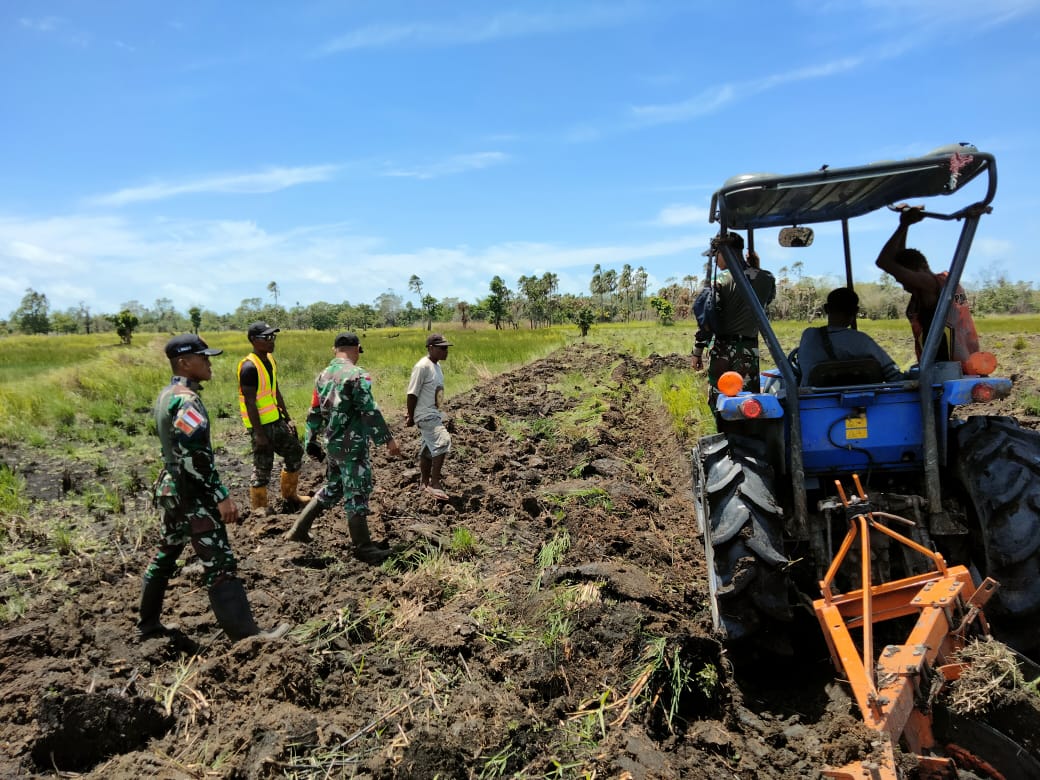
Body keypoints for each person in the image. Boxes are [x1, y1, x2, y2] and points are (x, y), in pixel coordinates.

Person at [139, 334, 287, 642]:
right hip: (194, 494)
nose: (209, 362)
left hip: (173, 491)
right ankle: (248, 636)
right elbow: (194, 456)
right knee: (219, 562)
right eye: (202, 357)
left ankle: (148, 623)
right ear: (184, 362)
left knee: (166, 553)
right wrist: (220, 496)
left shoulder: (167, 394)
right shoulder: (187, 401)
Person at [284, 332, 401, 563]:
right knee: (357, 491)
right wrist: (388, 439)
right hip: (352, 445)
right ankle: (363, 546)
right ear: (357, 348)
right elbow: (370, 411)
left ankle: (298, 530)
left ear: (334, 350)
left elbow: (314, 411)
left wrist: (311, 440)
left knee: (334, 486)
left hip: (333, 444)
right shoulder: (357, 375)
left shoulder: (323, 376)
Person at [875, 205, 990, 374]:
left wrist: (902, 226)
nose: (905, 287)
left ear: (921, 268)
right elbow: (899, 258)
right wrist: (906, 224)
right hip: (955, 366)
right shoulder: (941, 285)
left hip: (950, 370)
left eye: (904, 280)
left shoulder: (932, 284)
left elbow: (884, 262)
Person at [692, 232, 776, 402]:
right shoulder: (767, 278)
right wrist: (755, 268)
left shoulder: (720, 280)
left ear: (725, 251)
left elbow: (707, 320)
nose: (715, 260)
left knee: (721, 402)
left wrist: (697, 351)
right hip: (749, 350)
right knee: (749, 402)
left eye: (716, 255)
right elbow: (766, 301)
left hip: (723, 351)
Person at [238, 321, 309, 517]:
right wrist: (259, 434)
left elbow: (275, 391)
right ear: (254, 340)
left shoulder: (269, 360)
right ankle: (260, 509)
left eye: (273, 337)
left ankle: (290, 496)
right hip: (260, 426)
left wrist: (287, 418)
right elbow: (250, 402)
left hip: (276, 421)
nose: (271, 341)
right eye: (266, 337)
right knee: (262, 466)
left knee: (295, 452)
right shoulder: (249, 367)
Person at [797, 288, 903, 386]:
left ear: (826, 309)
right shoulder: (862, 341)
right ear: (856, 311)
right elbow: (892, 375)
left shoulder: (808, 335)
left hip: (813, 400)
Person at [405, 333, 454, 500]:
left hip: (434, 412)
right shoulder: (422, 367)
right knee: (443, 441)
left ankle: (424, 483)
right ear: (431, 348)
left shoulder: (436, 366)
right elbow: (412, 394)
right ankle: (435, 483)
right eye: (442, 348)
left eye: (446, 348)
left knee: (427, 450)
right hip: (425, 415)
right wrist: (411, 417)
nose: (445, 351)